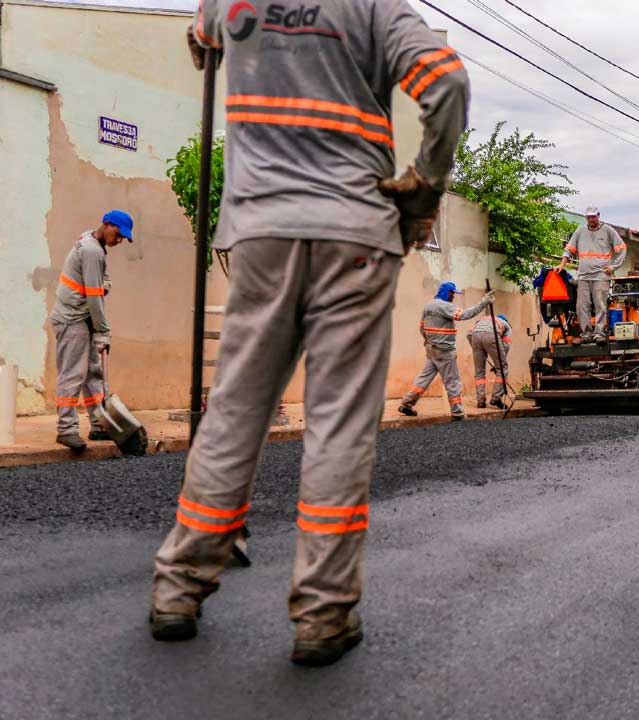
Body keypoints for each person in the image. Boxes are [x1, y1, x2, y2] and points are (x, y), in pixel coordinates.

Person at [151, 0, 469, 667]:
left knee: (235, 410)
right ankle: (323, 615)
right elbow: (446, 83)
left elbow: (200, 36)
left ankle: (178, 588)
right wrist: (426, 183)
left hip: (257, 231)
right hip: (355, 228)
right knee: (339, 423)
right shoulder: (375, 5)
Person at [50, 211, 133, 449]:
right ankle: (66, 429)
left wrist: (104, 283)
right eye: (118, 235)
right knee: (73, 373)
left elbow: (98, 282)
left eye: (123, 238)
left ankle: (99, 424)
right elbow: (95, 298)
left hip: (82, 317)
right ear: (107, 225)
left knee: (93, 373)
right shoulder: (92, 251)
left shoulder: (93, 241)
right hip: (72, 318)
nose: (119, 241)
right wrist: (103, 331)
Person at [399, 282, 493, 419]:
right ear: (446, 292)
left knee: (423, 379)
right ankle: (457, 413)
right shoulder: (444, 306)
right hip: (444, 351)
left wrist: (428, 341)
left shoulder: (428, 306)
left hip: (431, 350)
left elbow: (422, 328)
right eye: (452, 293)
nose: (453, 296)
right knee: (453, 382)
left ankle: (407, 403)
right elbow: (465, 315)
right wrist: (484, 302)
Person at [555, 206, 625, 345]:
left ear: (598, 215)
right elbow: (569, 249)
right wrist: (562, 265)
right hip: (584, 275)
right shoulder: (580, 231)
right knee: (582, 305)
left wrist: (614, 266)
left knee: (600, 304)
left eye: (594, 216)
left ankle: (599, 333)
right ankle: (586, 333)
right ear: (586, 217)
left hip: (601, 275)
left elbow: (621, 248)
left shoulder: (608, 230)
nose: (591, 219)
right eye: (589, 217)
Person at [468, 313, 511, 409]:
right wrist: (499, 363)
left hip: (475, 337)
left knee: (479, 372)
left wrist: (477, 349)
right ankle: (496, 398)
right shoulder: (506, 325)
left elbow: (468, 333)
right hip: (491, 335)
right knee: (503, 368)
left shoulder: (482, 320)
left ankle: (480, 400)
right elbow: (506, 345)